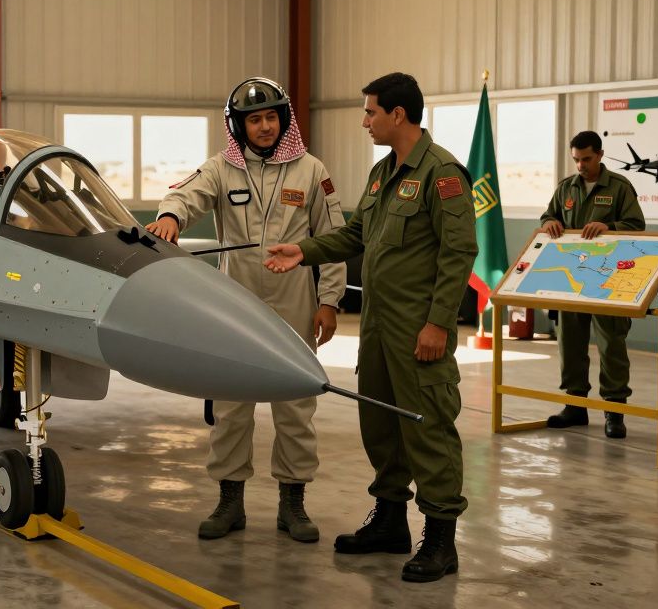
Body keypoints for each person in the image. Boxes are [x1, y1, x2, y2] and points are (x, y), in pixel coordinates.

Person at [265, 72, 476, 583]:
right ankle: (389, 521)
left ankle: (441, 540)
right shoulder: (385, 172)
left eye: (370, 112)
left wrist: (438, 325)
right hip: (380, 329)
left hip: (418, 329)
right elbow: (357, 234)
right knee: (381, 429)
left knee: (427, 429)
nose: (364, 121)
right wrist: (304, 251)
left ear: (397, 115)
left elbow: (458, 253)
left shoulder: (442, 173)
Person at [146, 77, 346, 543]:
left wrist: (330, 301)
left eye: (271, 117)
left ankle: (292, 505)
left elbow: (333, 240)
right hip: (235, 303)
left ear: (284, 120)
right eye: (253, 119)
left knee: (295, 405)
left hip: (294, 300)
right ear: (238, 125)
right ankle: (229, 502)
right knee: (232, 403)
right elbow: (185, 194)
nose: (263, 127)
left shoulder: (311, 170)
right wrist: (172, 216)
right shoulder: (221, 169)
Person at [538, 130, 645, 438]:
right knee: (569, 341)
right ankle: (574, 406)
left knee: (612, 343)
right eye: (576, 160)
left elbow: (637, 226)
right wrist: (548, 223)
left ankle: (615, 411)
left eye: (586, 159)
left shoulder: (620, 188)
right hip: (572, 276)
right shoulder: (566, 188)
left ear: (599, 154)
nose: (581, 166)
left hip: (609, 278)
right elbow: (548, 215)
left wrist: (609, 226)